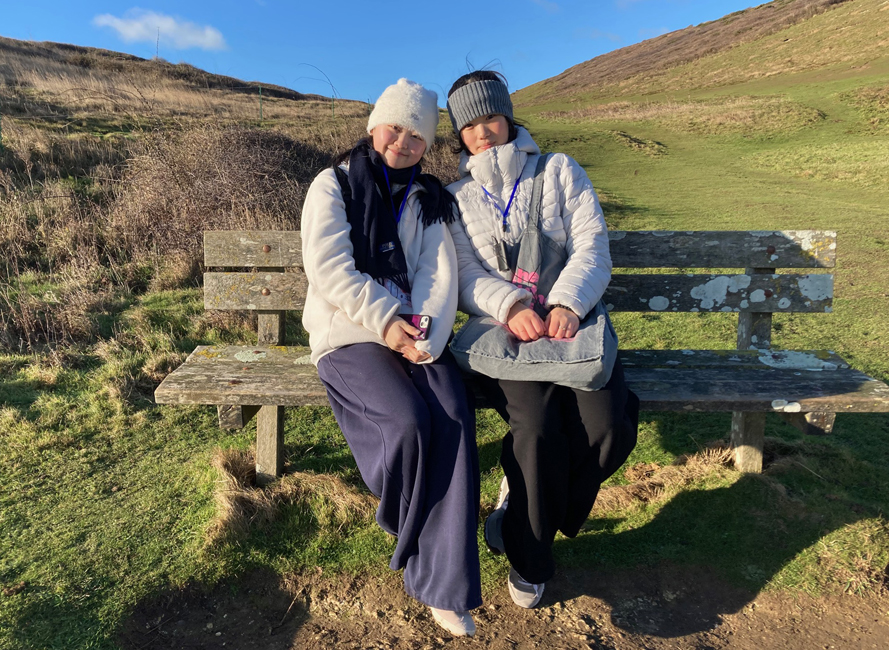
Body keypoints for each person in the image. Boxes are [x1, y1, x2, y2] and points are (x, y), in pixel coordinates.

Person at [444, 71, 640, 609]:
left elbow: (592, 246)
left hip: (574, 325)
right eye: (469, 125)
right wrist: (508, 305)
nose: (482, 132)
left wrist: (567, 304)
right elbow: (461, 271)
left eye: (490, 118)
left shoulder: (559, 170)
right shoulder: (455, 197)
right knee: (536, 432)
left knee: (610, 433)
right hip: (507, 334)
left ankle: (523, 503)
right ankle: (529, 558)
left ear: (508, 117)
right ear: (459, 134)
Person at [300, 79, 480, 636]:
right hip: (349, 333)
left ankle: (445, 589)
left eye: (417, 135)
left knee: (452, 413)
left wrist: (421, 332)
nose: (403, 142)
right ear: (374, 126)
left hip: (413, 334)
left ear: (428, 146)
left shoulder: (429, 200)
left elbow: (436, 274)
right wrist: (387, 323)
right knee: (405, 422)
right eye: (394, 128)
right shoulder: (332, 185)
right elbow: (331, 269)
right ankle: (404, 521)